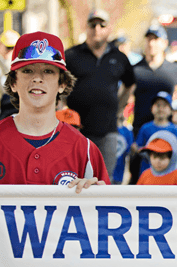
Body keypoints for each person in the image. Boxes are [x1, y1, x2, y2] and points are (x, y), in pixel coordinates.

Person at [0, 31, 110, 227]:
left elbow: (105, 224)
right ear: (13, 82)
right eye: (27, 71)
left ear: (62, 84)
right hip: (3, 257)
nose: (37, 78)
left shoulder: (85, 150)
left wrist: (97, 200)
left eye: (48, 71)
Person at [65, 9, 136, 185]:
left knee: (105, 181)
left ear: (108, 29)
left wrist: (119, 108)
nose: (97, 29)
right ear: (86, 28)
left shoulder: (119, 57)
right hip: (76, 132)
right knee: (74, 181)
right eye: (93, 25)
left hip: (108, 131)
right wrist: (62, 107)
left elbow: (129, 83)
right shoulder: (71, 56)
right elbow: (57, 84)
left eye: (102, 25)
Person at [130, 24, 177, 184]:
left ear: (164, 43)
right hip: (141, 131)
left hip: (166, 132)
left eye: (156, 39)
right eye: (149, 39)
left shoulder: (174, 69)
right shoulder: (135, 70)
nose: (151, 43)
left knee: (166, 178)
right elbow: (121, 95)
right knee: (140, 179)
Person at [134, 91, 177, 174]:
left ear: (170, 110)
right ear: (152, 108)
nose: (161, 109)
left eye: (164, 105)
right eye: (158, 105)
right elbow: (138, 147)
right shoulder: (145, 128)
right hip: (147, 172)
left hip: (168, 173)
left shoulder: (175, 130)